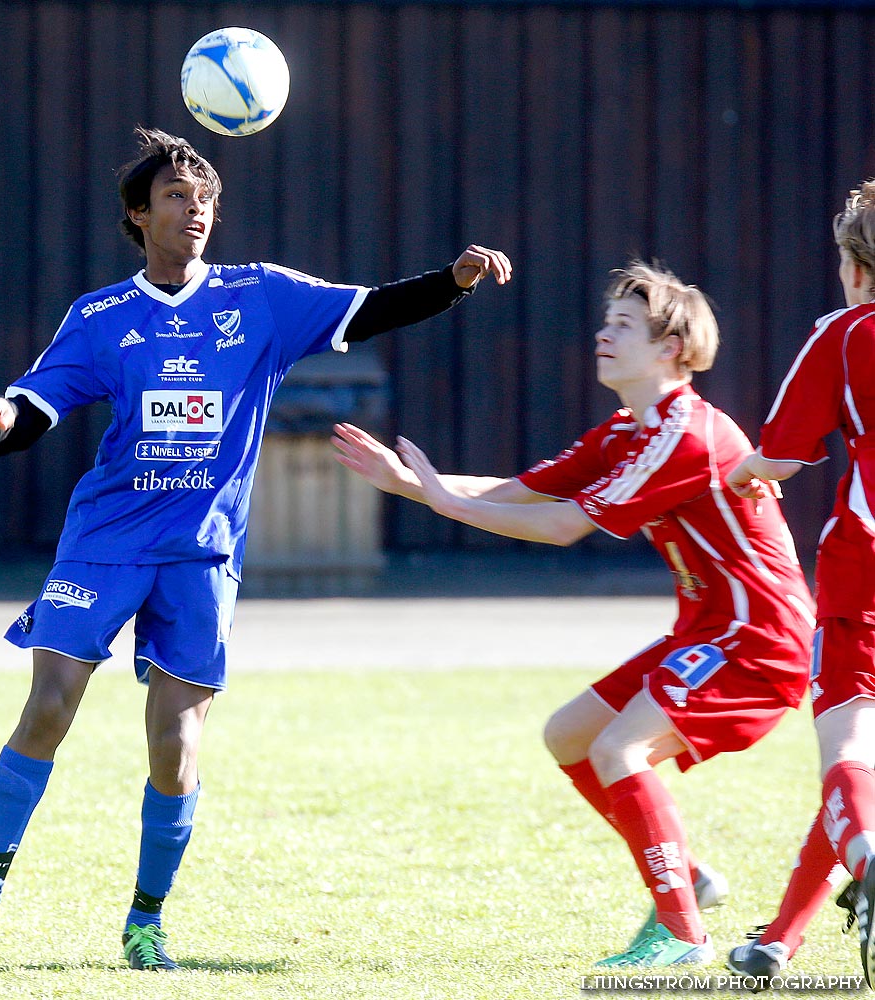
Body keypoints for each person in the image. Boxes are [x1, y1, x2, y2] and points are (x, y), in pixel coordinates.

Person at [0, 125, 512, 972]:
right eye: (176, 196)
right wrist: (2, 423)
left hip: (202, 552)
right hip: (106, 539)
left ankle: (146, 924)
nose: (195, 209)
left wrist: (453, 282)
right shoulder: (101, 316)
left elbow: (370, 306)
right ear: (138, 215)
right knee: (50, 706)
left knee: (176, 745)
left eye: (205, 197)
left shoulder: (263, 299)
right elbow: (39, 402)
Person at [332, 261, 815, 968]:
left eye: (623, 325)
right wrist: (411, 485)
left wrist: (444, 502)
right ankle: (687, 875)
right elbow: (520, 491)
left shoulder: (686, 435)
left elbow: (563, 527)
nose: (601, 334)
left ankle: (684, 936)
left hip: (757, 640)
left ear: (671, 348)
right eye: (605, 321)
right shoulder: (630, 430)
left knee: (619, 750)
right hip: (710, 633)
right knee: (570, 735)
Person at [724, 179, 875, 989]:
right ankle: (781, 938)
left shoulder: (845, 333)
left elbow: (778, 455)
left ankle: (864, 870)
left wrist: (745, 475)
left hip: (865, 566)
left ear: (856, 269)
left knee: (849, 747)